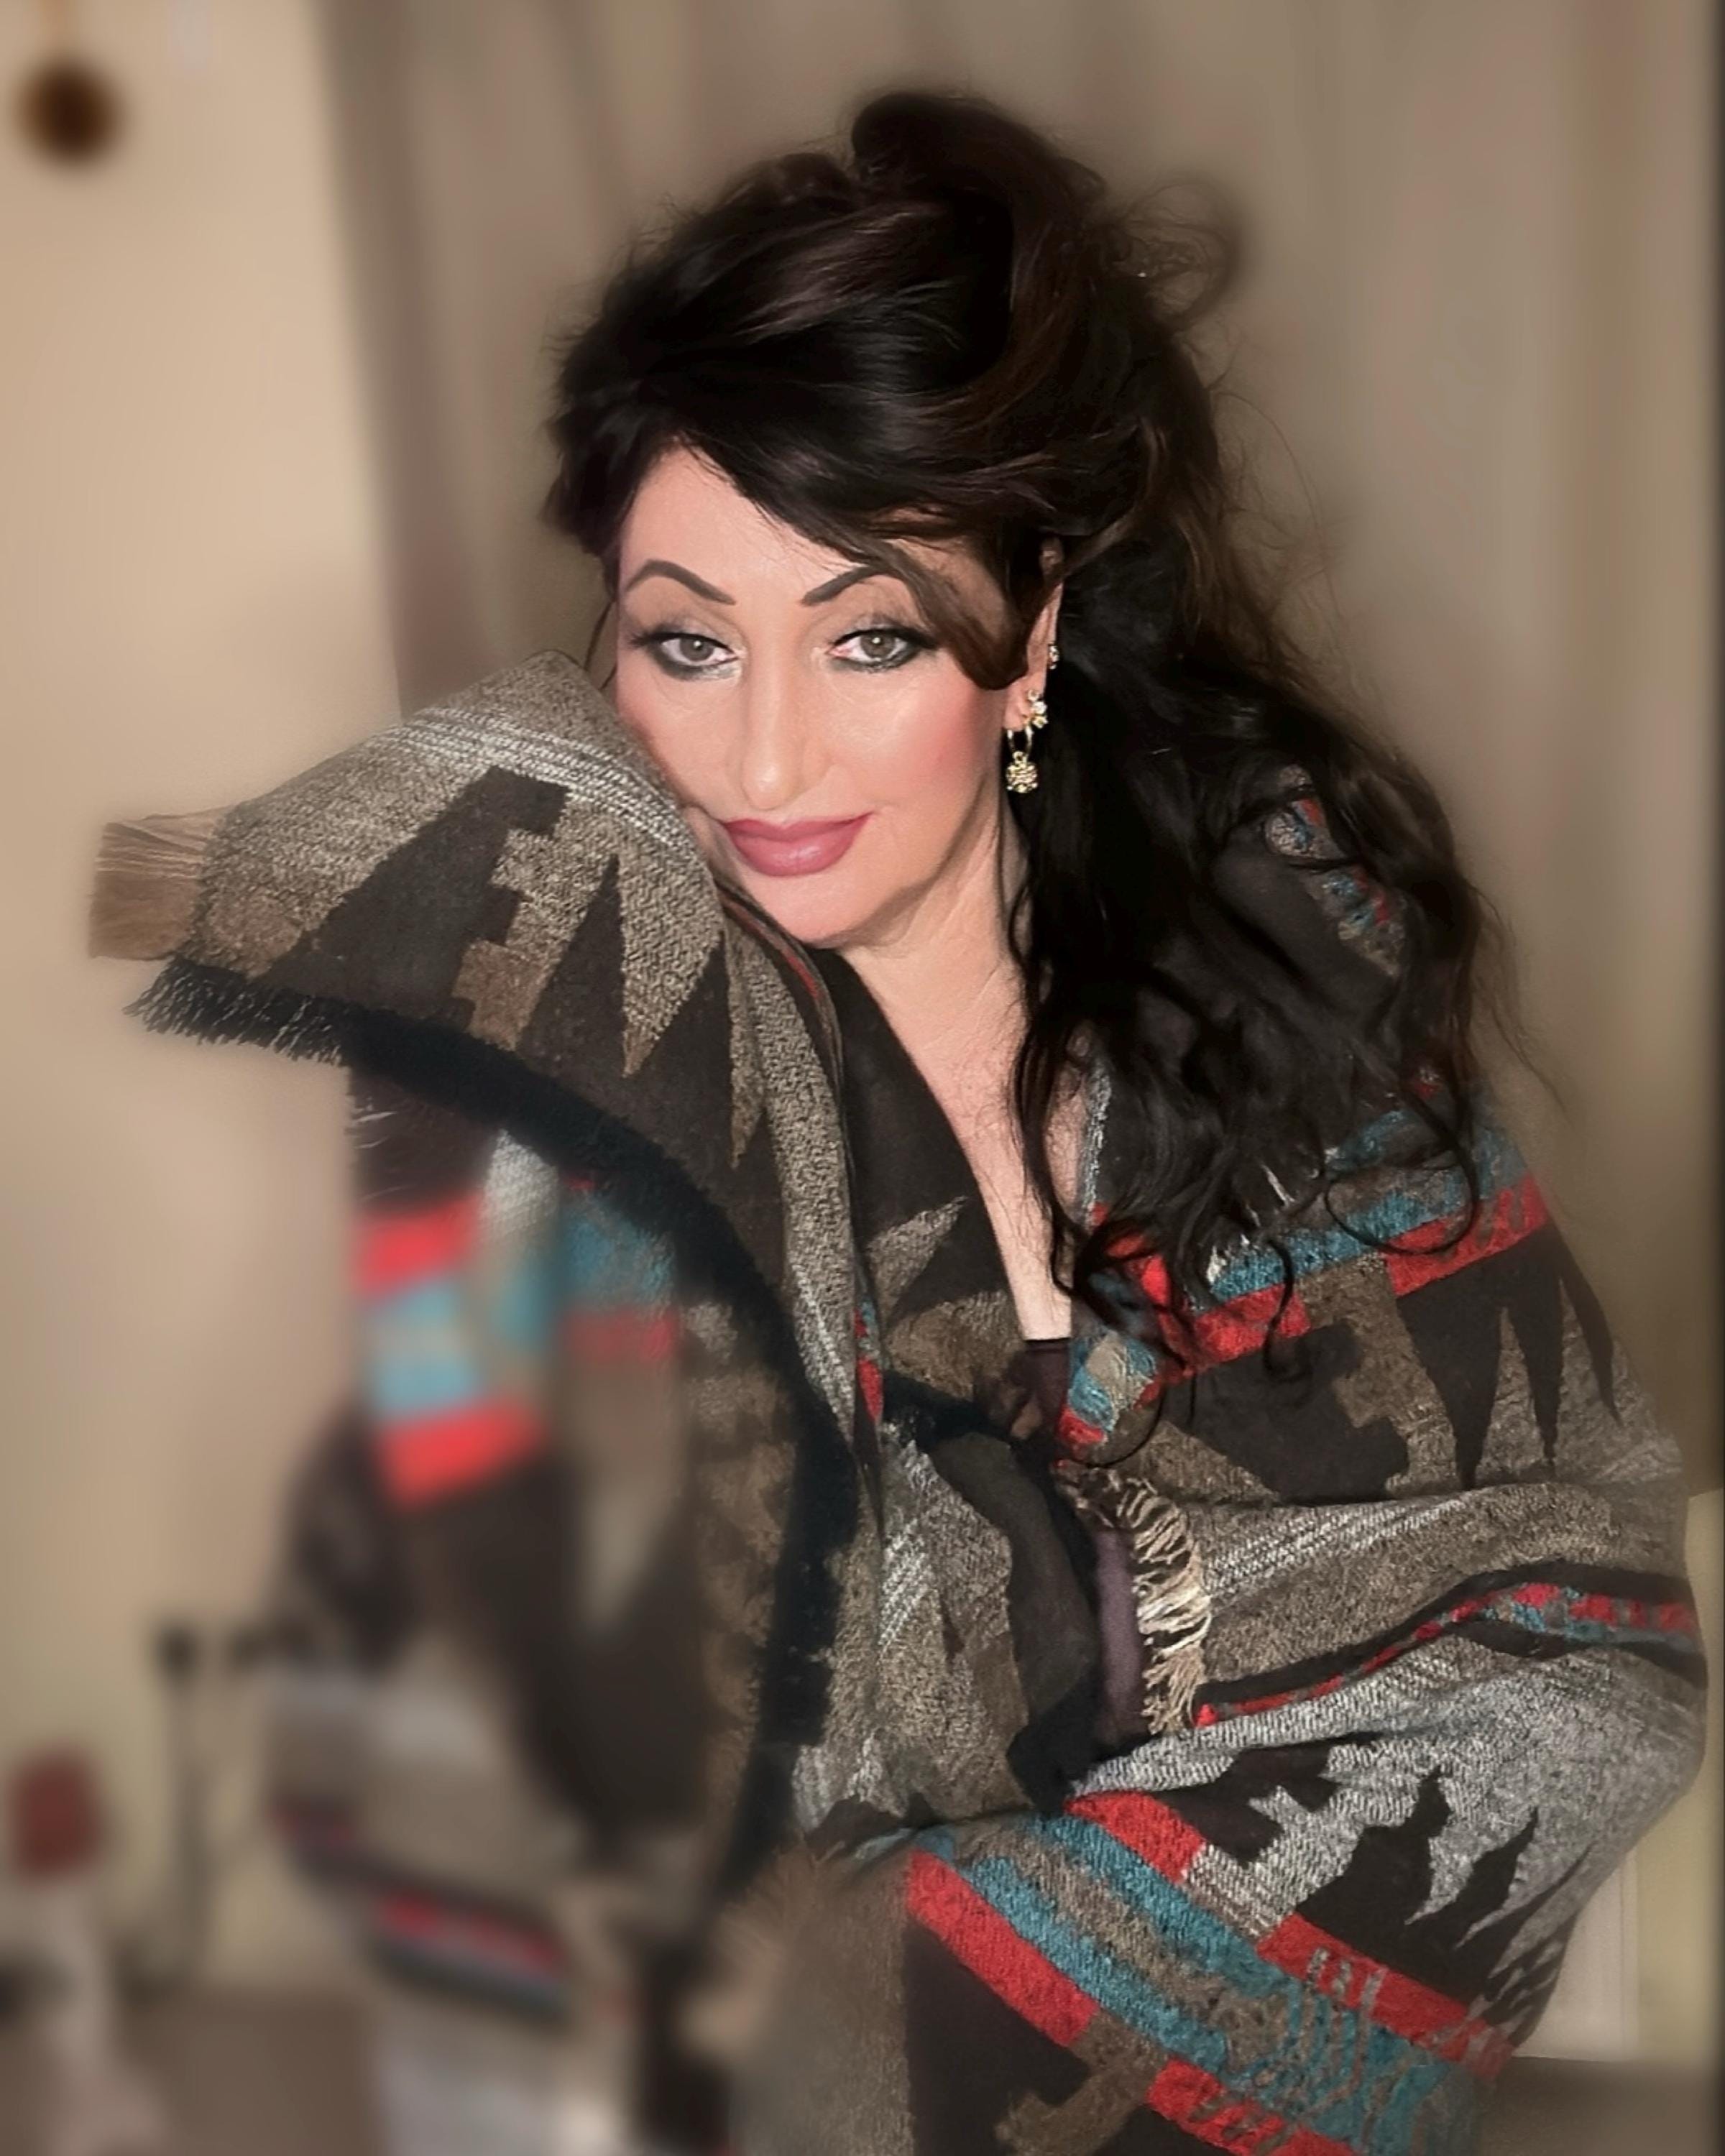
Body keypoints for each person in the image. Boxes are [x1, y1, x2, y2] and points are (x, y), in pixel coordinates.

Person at [90, 90, 1703, 2156]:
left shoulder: (1284, 992)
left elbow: (1544, 1619)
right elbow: (548, 1738)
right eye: (688, 642)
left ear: (1031, 637)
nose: (764, 760)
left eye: (870, 637)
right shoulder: (574, 1061)